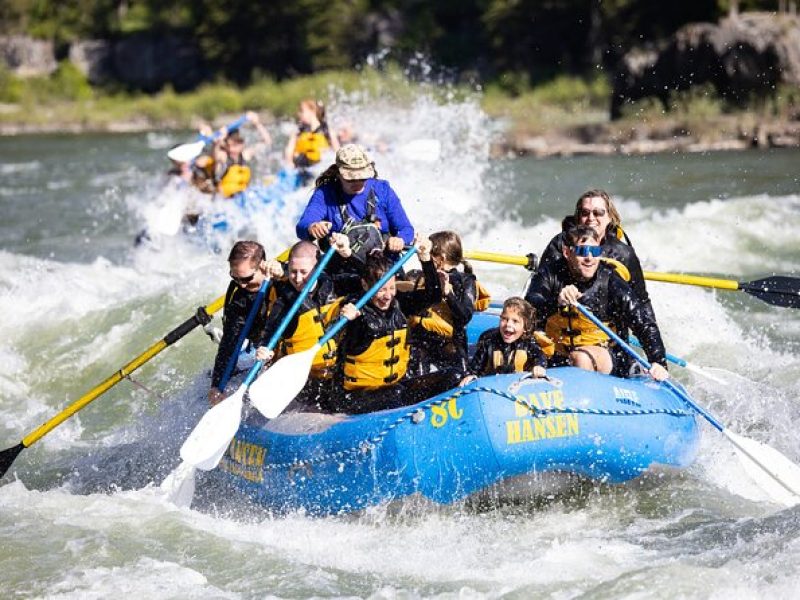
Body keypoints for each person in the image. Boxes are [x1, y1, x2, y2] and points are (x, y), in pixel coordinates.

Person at [329, 241, 459, 414]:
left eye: (391, 288)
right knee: (396, 394)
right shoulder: (353, 308)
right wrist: (349, 318)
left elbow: (433, 295)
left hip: (392, 388)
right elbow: (336, 330)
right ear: (365, 286)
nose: (387, 296)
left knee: (454, 376)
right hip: (352, 397)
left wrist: (426, 259)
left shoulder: (400, 304)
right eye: (381, 290)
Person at [525, 224, 669, 381]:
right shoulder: (549, 274)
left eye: (594, 251)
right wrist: (556, 301)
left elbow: (644, 323)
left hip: (608, 355)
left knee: (580, 358)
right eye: (582, 251)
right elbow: (529, 310)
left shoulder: (611, 281)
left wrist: (658, 362)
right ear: (567, 252)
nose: (589, 258)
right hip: (558, 353)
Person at [253, 234, 362, 412]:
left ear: (317, 268)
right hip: (305, 381)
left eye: (304, 272)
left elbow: (369, 279)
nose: (297, 278)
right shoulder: (284, 304)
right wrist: (264, 349)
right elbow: (269, 334)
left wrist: (347, 253)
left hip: (338, 375)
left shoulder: (334, 285)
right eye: (293, 272)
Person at [536, 189, 654, 319]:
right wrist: (557, 302)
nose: (591, 218)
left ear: (610, 217)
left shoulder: (623, 253)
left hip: (607, 329)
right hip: (562, 321)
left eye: (598, 213)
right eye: (585, 213)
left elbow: (642, 301)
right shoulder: (559, 244)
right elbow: (538, 291)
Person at [295, 144, 415, 266]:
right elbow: (302, 227)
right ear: (338, 174)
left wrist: (400, 239)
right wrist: (312, 227)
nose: (357, 183)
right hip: (343, 270)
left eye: (362, 178)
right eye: (350, 179)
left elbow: (406, 229)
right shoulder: (325, 193)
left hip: (384, 268)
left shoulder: (382, 189)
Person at [208, 240, 282, 405]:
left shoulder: (288, 278)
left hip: (292, 345)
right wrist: (217, 386)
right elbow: (229, 344)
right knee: (212, 377)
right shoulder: (240, 299)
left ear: (262, 266)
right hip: (263, 350)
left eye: (247, 278)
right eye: (235, 278)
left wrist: (284, 273)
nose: (241, 284)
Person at [407, 230, 491, 376]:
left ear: (441, 258)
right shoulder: (421, 277)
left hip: (450, 344)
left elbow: (464, 316)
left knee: (459, 376)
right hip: (421, 341)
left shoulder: (466, 281)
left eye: (430, 256)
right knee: (417, 373)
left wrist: (448, 294)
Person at [460, 297, 547, 386]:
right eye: (504, 319)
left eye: (515, 321)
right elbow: (476, 366)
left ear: (526, 327)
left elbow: (540, 356)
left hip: (520, 386)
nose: (508, 324)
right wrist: (470, 375)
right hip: (494, 386)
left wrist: (539, 366)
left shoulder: (529, 341)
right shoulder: (489, 339)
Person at [207, 111, 272, 198]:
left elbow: (267, 142)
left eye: (234, 146)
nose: (231, 149)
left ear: (242, 145)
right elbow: (215, 155)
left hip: (241, 199)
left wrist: (257, 124)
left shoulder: (245, 155)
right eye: (228, 146)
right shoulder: (224, 156)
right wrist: (217, 142)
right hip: (225, 201)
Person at [284, 99, 340, 170]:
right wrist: (290, 164)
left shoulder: (327, 131)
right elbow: (289, 151)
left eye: (302, 111)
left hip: (321, 168)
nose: (299, 114)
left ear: (313, 111)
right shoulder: (297, 132)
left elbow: (338, 152)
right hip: (300, 169)